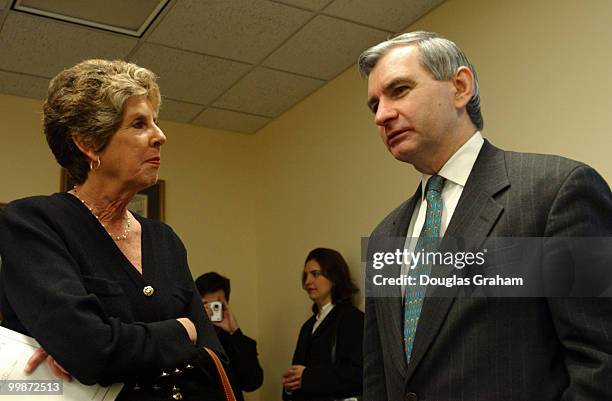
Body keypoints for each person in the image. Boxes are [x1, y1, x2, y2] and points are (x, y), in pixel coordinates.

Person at [358, 31, 612, 401]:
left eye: (399, 90)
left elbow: (601, 362)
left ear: (460, 87)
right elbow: (378, 376)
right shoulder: (384, 236)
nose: (382, 115)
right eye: (374, 105)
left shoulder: (557, 191)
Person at [0, 59, 232, 401]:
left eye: (155, 122)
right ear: (89, 143)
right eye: (139, 123)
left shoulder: (165, 240)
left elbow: (216, 362)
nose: (160, 136)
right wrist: (184, 330)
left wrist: (106, 349)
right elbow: (92, 350)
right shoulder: (33, 223)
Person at [282, 248, 363, 401]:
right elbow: (297, 375)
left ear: (334, 277)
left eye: (315, 274)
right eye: (305, 275)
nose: (307, 282)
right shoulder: (307, 327)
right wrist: (289, 388)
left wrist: (307, 377)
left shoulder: (351, 319)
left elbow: (358, 374)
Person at [195, 272, 264, 401]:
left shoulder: (236, 342)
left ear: (226, 305)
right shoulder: (187, 341)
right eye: (204, 304)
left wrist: (234, 332)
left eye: (215, 305)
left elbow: (252, 383)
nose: (210, 311)